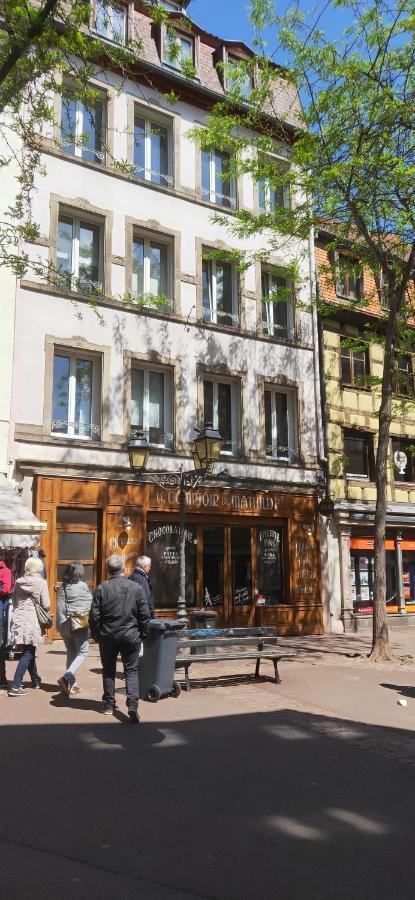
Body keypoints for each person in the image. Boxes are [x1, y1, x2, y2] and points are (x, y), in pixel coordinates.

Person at [89, 554, 150, 723]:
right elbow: (145, 614)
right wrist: (143, 633)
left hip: (108, 636)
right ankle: (132, 704)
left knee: (108, 670)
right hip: (131, 635)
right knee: (131, 670)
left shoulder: (102, 588)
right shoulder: (135, 587)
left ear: (108, 570)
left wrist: (96, 634)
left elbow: (94, 615)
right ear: (123, 569)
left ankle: (109, 704)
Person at [8, 556, 50, 697]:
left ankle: (35, 680)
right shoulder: (41, 583)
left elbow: (13, 601)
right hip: (32, 620)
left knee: (28, 650)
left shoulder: (18, 582)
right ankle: (15, 685)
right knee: (28, 652)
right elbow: (46, 605)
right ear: (39, 568)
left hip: (19, 619)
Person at [56, 562, 92, 697]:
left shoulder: (63, 587)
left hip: (66, 625)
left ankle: (72, 684)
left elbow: (60, 608)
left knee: (71, 653)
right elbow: (90, 605)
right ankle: (67, 678)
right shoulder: (84, 586)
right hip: (80, 625)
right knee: (82, 653)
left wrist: (61, 626)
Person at [0, 554, 13, 690]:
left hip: (0, 614)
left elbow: (6, 589)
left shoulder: (6, 571)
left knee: (0, 647)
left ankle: (2, 678)